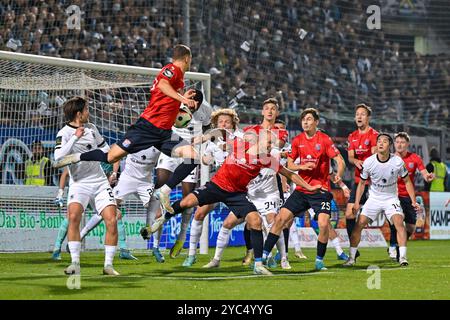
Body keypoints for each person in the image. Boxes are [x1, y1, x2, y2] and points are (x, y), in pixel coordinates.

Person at [148, 127, 322, 275]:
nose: (271, 146)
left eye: (272, 144)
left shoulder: (267, 159)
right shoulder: (240, 144)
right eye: (269, 143)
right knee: (186, 203)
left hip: (237, 194)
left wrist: (309, 187)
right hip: (216, 186)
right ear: (259, 140)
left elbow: (290, 174)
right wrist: (205, 137)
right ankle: (161, 219)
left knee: (255, 221)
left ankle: (259, 264)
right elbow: (222, 132)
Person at [53, 44, 202, 215]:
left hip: (164, 133)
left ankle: (164, 192)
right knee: (110, 157)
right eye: (191, 60)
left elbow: (169, 106)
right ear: (187, 58)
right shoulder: (171, 69)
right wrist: (183, 97)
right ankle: (76, 157)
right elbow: (162, 85)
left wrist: (183, 103)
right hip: (146, 127)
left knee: (193, 157)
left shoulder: (180, 81)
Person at [261, 108, 346, 271]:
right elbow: (290, 165)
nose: (305, 122)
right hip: (302, 190)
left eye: (308, 119)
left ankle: (319, 261)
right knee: (280, 220)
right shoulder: (297, 140)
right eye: (303, 120)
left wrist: (339, 175)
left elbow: (339, 160)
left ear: (316, 122)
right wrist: (302, 166)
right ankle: (264, 256)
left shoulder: (325, 140)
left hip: (320, 191)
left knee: (323, 224)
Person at [54, 96, 119, 276]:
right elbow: (58, 158)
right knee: (74, 217)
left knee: (112, 220)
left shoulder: (92, 128)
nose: (88, 113)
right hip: (79, 183)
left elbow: (106, 150)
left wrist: (92, 155)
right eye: (86, 110)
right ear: (78, 113)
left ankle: (108, 265)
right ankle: (75, 263)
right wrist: (75, 139)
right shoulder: (64, 133)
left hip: (99, 181)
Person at [343, 133, 420, 267]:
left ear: (389, 146)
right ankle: (351, 258)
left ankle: (402, 257)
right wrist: (356, 202)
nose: (380, 143)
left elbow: (407, 181)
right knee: (358, 224)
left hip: (391, 198)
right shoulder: (369, 162)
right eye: (379, 141)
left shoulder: (397, 162)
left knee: (399, 223)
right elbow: (361, 183)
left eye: (384, 141)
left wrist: (413, 201)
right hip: (374, 198)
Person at [157, 92, 212, 259]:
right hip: (172, 148)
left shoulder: (206, 110)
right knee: (161, 184)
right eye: (191, 101)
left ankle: (181, 239)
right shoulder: (176, 103)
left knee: (188, 200)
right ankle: (156, 246)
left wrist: (203, 139)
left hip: (190, 153)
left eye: (196, 102)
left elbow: (208, 127)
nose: (192, 104)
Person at [388, 132, 434, 259]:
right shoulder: (389, 158)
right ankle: (393, 246)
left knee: (411, 227)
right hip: (393, 196)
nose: (399, 144)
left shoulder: (415, 158)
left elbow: (424, 172)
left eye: (402, 142)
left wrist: (428, 177)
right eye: (397, 142)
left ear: (407, 144)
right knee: (395, 222)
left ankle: (398, 245)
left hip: (408, 196)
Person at [344, 104, 378, 244]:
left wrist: (366, 163)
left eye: (362, 114)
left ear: (368, 117)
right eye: (357, 114)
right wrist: (356, 161)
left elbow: (375, 155)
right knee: (349, 214)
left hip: (374, 183)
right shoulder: (352, 136)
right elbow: (350, 157)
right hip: (359, 181)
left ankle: (394, 248)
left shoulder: (374, 135)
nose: (359, 116)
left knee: (390, 216)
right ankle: (353, 248)